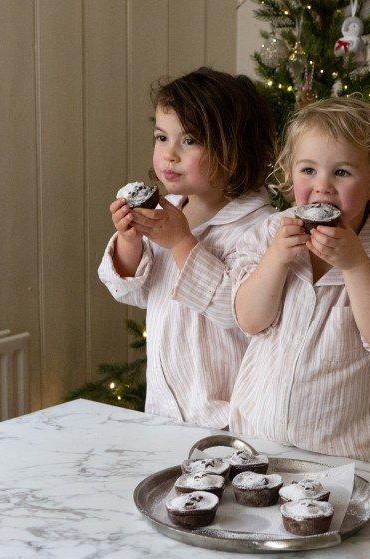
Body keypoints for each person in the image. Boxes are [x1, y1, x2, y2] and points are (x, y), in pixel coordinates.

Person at [230, 97, 370, 465]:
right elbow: (250, 319)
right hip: (257, 439)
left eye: (342, 173)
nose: (322, 187)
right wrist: (276, 259)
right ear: (289, 173)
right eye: (308, 170)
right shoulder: (268, 233)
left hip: (346, 455)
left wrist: (355, 265)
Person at [98, 67, 276, 428]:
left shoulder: (261, 228)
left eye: (190, 140)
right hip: (164, 411)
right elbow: (130, 290)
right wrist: (130, 240)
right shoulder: (167, 210)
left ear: (234, 150)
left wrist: (182, 243)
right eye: (162, 137)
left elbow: (239, 312)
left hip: (227, 419)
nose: (169, 155)